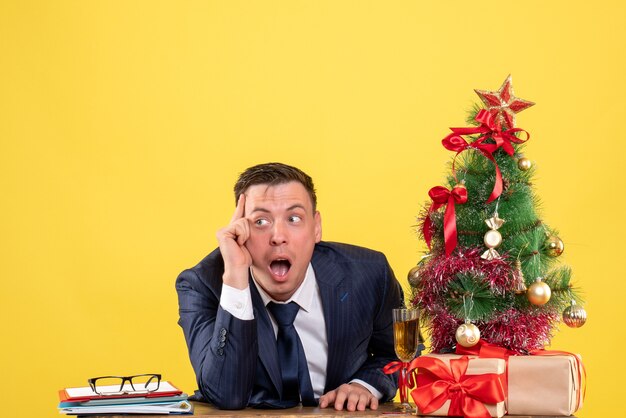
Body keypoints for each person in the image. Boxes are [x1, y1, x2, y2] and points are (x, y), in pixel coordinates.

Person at [176, 162, 404, 411]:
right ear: (240, 229)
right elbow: (225, 394)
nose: (278, 236)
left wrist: (364, 385)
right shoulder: (202, 284)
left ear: (316, 227)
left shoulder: (368, 274)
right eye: (260, 221)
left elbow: (399, 355)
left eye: (294, 218)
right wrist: (235, 279)